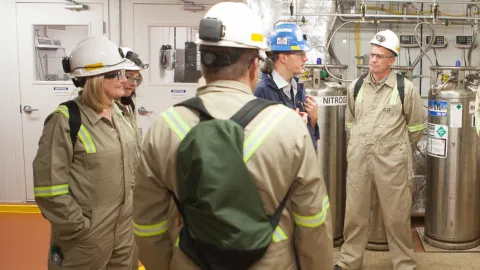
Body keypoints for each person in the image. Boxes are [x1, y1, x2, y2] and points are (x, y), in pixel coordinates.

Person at [132, 2, 333, 270]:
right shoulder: (287, 127)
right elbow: (313, 222)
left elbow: (148, 227)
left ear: (202, 62)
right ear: (253, 65)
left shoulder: (163, 128)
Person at [33, 36, 138, 270]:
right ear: (95, 78)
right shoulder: (65, 121)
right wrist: (79, 228)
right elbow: (49, 188)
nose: (125, 80)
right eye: (116, 74)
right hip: (86, 237)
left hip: (124, 231)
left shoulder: (120, 113)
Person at [334, 29, 424, 270]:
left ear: (392, 60)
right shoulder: (356, 86)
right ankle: (349, 261)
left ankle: (404, 263)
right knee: (354, 214)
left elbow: (416, 127)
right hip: (360, 160)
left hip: (392, 162)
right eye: (371, 55)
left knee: (396, 217)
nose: (373, 60)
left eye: (379, 56)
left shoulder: (405, 89)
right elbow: (352, 122)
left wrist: (396, 149)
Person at [254, 22, 319, 150]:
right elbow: (259, 146)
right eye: (300, 53)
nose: (305, 58)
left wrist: (313, 118)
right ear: (283, 58)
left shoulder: (297, 88)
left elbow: (309, 136)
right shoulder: (262, 93)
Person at [117, 47, 145, 149]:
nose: (134, 84)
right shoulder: (105, 109)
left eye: (136, 79)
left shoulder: (128, 104)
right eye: (129, 77)